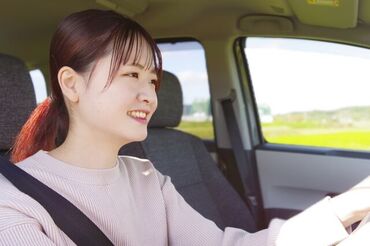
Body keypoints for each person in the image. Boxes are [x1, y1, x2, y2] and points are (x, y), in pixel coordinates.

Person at [0, 8, 369, 246]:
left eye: (153, 81)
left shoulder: (146, 177)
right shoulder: (13, 203)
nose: (149, 95)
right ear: (71, 84)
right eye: (131, 74)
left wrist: (345, 210)